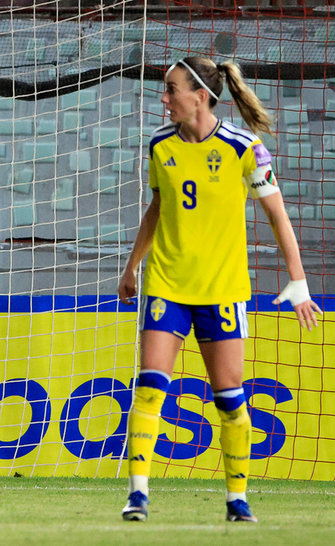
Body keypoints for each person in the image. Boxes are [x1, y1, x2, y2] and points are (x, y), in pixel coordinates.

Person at [117, 57, 321, 522]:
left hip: (223, 290)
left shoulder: (245, 148)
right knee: (150, 384)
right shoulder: (159, 146)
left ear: (200, 96)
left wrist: (298, 280)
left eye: (170, 90)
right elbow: (157, 209)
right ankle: (138, 495)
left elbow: (277, 215)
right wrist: (132, 267)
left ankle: (237, 499)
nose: (163, 98)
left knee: (229, 397)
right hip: (167, 284)